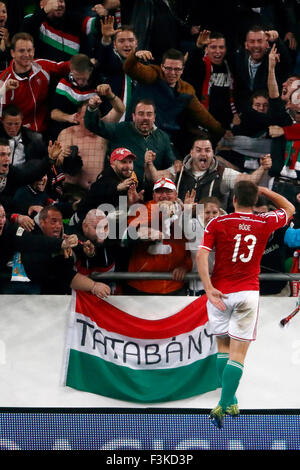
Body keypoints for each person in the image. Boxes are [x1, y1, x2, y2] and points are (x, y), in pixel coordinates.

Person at [196, 180, 295, 428]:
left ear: (234, 200)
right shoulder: (265, 221)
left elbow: (201, 254)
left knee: (223, 348)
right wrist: (264, 190)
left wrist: (208, 288)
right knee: (238, 355)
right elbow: (290, 208)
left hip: (220, 292)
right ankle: (225, 401)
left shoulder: (217, 222)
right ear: (254, 201)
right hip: (248, 293)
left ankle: (228, 400)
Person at [123, 47, 225, 156]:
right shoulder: (152, 75)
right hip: (137, 136)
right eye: (168, 68)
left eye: (177, 69)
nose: (172, 73)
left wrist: (222, 132)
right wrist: (135, 56)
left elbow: (205, 118)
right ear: (162, 67)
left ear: (182, 69)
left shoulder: (186, 90)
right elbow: (130, 68)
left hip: (165, 141)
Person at [124, 177, 192, 295]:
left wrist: (185, 266)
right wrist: (160, 211)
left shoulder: (184, 213)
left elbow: (191, 246)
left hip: (174, 285)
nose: (164, 195)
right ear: (153, 195)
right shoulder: (143, 209)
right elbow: (131, 231)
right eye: (159, 192)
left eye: (168, 192)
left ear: (175, 195)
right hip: (141, 285)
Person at [84, 97, 176, 182]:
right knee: (122, 199)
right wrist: (91, 109)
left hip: (152, 194)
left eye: (149, 114)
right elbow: (93, 125)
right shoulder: (120, 130)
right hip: (122, 191)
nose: (145, 118)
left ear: (154, 117)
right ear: (133, 116)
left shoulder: (163, 137)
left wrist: (174, 166)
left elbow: (172, 165)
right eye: (140, 114)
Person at [174, 134, 272, 211]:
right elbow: (160, 176)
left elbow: (250, 182)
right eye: (198, 150)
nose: (203, 153)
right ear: (191, 152)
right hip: (181, 227)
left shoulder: (223, 173)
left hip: (213, 228)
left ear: (213, 153)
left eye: (207, 150)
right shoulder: (178, 169)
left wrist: (263, 167)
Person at [0, 32, 70, 133]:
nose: (27, 55)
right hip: (20, 134)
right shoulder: (3, 80)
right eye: (21, 51)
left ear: (34, 51)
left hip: (46, 128)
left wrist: (87, 62)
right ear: (12, 53)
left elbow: (64, 67)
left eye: (29, 50)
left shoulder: (41, 66)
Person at [57, 89, 125, 189]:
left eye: (92, 116)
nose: (90, 120)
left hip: (96, 191)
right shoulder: (68, 133)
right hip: (72, 189)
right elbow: (59, 158)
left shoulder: (102, 127)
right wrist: (63, 155)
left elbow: (120, 109)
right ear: (77, 117)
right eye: (86, 117)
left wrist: (110, 94)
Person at [183, 30, 238, 131]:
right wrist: (198, 47)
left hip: (228, 127)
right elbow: (190, 68)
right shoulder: (201, 66)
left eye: (221, 47)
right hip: (203, 127)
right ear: (206, 49)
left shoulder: (231, 66)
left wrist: (237, 114)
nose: (218, 51)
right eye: (213, 47)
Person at [233, 25, 292, 112]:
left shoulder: (274, 59)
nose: (256, 45)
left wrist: (276, 40)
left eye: (260, 41)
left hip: (270, 112)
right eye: (252, 41)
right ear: (246, 45)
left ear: (267, 44)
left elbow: (286, 61)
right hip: (246, 113)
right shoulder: (239, 59)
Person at [94, 18, 138, 118]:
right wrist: (106, 39)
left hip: (136, 126)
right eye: (121, 41)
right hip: (112, 126)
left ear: (136, 43)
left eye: (131, 40)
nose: (127, 45)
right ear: (114, 45)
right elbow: (105, 57)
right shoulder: (112, 63)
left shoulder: (143, 65)